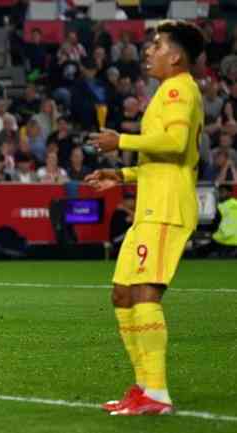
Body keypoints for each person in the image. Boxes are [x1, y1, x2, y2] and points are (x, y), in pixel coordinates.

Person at [86, 20, 206, 416]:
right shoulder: (168, 92)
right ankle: (143, 388)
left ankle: (156, 393)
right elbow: (164, 159)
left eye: (157, 45)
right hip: (152, 206)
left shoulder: (177, 89)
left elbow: (172, 144)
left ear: (176, 56)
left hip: (167, 208)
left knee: (143, 294)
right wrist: (119, 174)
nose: (149, 51)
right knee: (122, 293)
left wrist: (120, 141)